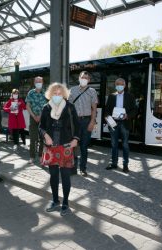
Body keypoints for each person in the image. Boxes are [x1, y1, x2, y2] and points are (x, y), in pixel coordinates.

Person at [39, 83, 80, 216]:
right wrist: (45, 135)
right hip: (50, 148)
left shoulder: (70, 107)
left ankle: (66, 203)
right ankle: (55, 200)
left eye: (60, 93)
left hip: (66, 147)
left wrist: (75, 140)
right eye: (54, 93)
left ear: (64, 94)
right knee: (54, 176)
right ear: (50, 94)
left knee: (66, 176)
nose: (57, 96)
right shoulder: (46, 108)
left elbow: (78, 126)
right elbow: (41, 127)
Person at [68, 71, 98, 177]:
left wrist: (92, 122)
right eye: (82, 77)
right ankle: (73, 168)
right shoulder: (72, 90)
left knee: (84, 147)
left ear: (89, 80)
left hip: (86, 121)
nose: (84, 79)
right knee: (74, 145)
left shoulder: (92, 91)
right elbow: (69, 108)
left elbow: (94, 109)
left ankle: (83, 168)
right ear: (79, 78)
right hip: (75, 121)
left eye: (86, 78)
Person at [105, 78, 137, 173]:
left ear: (125, 85)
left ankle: (125, 165)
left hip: (125, 123)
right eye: (117, 84)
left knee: (125, 145)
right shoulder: (111, 96)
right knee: (114, 144)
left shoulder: (130, 96)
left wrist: (128, 115)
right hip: (113, 124)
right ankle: (114, 163)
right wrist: (109, 120)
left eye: (121, 84)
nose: (119, 86)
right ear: (115, 85)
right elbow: (106, 110)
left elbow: (135, 110)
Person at [25, 76, 47, 164]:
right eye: (37, 81)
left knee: (42, 138)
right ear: (34, 83)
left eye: (40, 81)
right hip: (33, 118)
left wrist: (40, 116)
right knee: (33, 138)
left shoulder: (46, 93)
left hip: (43, 118)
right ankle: (32, 157)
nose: (38, 83)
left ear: (42, 82)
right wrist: (34, 116)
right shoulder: (31, 93)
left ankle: (41, 156)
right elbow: (28, 106)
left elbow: (47, 106)